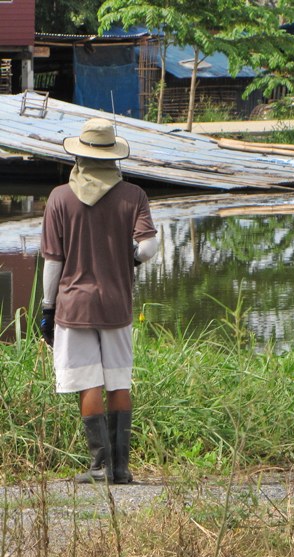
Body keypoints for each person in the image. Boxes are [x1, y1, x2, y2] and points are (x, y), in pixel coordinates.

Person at [40, 117, 158, 484]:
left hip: (73, 306)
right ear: (113, 157)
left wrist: (47, 308)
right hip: (116, 304)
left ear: (80, 157)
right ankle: (121, 470)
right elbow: (150, 247)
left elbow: (53, 262)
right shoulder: (133, 195)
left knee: (88, 382)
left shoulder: (60, 197)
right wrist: (130, 258)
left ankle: (99, 467)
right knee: (118, 382)